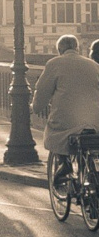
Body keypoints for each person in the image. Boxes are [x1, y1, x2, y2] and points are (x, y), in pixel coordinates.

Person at [32, 35, 99, 166]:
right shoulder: (94, 65)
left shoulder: (54, 64)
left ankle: (64, 163)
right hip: (94, 121)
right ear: (77, 48)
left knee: (54, 135)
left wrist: (36, 108)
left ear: (59, 50)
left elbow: (42, 91)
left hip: (66, 121)